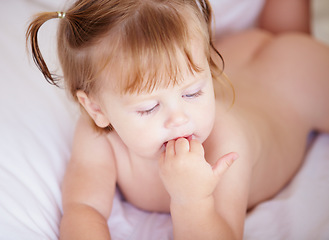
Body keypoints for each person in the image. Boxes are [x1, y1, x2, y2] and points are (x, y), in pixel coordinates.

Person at [26, 0, 329, 239]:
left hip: (290, 79)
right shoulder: (99, 137)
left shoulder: (225, 144)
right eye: (147, 108)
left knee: (291, 37)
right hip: (242, 60)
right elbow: (83, 208)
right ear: (97, 110)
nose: (179, 118)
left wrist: (191, 201)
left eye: (194, 93)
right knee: (278, 32)